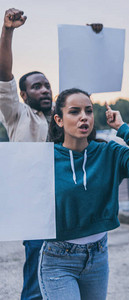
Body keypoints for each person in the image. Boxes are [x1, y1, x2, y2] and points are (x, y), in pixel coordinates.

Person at [38, 88, 129, 299]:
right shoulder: (44, 159)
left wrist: (122, 127)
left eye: (88, 111)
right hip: (58, 258)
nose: (84, 117)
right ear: (59, 120)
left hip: (98, 255)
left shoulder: (109, 152)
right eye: (74, 111)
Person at [0, 8, 51, 300]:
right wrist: (8, 31)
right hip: (34, 209)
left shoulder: (62, 117)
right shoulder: (17, 114)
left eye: (47, 85)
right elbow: (3, 76)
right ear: (23, 94)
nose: (44, 90)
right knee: (36, 275)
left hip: (64, 204)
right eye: (36, 86)